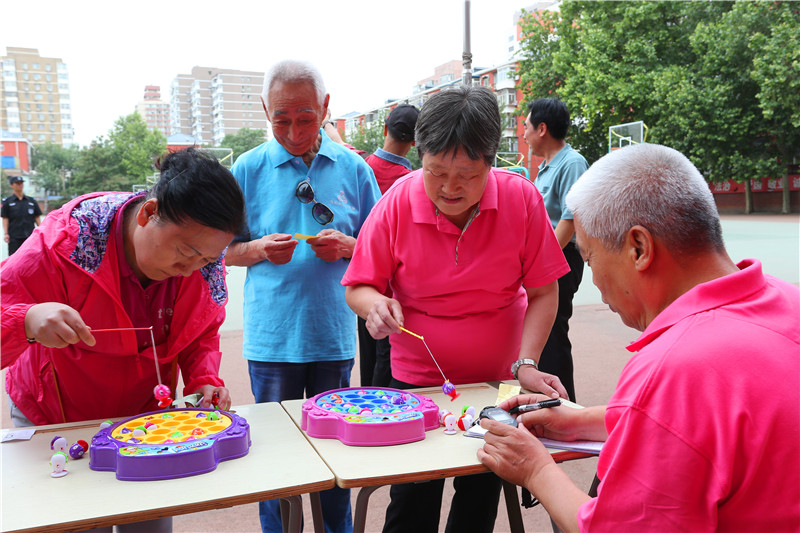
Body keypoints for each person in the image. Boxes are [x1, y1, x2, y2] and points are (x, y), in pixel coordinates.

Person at [478, 143, 800, 532]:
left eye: (590, 258)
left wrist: (535, 469)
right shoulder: (787, 301)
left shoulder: (675, 369)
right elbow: (706, 425)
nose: (596, 281)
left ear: (638, 248)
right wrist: (580, 421)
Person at [342, 85, 570, 533]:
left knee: (480, 494)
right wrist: (376, 305)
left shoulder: (521, 199)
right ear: (420, 157)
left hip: (498, 382)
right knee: (412, 497)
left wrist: (526, 364)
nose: (449, 188)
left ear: (491, 162)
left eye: (467, 174)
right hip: (417, 383)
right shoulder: (398, 201)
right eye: (436, 172)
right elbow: (358, 287)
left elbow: (544, 293)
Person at [1, 147, 245, 533]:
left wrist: (203, 379)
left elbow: (200, 331)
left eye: (205, 260)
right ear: (149, 213)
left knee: (147, 522)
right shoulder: (67, 242)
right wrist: (27, 320)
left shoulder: (203, 263)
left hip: (145, 424)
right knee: (77, 520)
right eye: (185, 253)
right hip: (58, 417)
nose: (189, 271)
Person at [225, 59, 381, 533]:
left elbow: (382, 247)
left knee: (336, 455)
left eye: (306, 118)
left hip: (332, 334)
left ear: (326, 107)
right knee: (276, 460)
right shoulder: (247, 169)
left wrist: (349, 246)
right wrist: (256, 249)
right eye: (281, 120)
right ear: (264, 110)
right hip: (272, 341)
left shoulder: (354, 168)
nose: (294, 132)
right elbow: (218, 250)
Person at [523, 98, 588, 402]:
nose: (524, 133)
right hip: (545, 260)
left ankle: (564, 406)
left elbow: (570, 219)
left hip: (560, 259)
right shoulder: (546, 168)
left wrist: (542, 260)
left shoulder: (572, 162)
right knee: (540, 337)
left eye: (526, 126)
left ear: (542, 128)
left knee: (553, 336)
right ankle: (544, 402)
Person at [2, 176, 42, 255]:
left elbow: (37, 217)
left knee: (31, 258)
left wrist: (41, 231)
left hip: (30, 237)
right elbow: (5, 218)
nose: (20, 185)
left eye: (21, 183)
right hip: (14, 237)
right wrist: (6, 233)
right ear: (11, 185)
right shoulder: (7, 202)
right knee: (14, 258)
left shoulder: (31, 201)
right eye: (17, 183)